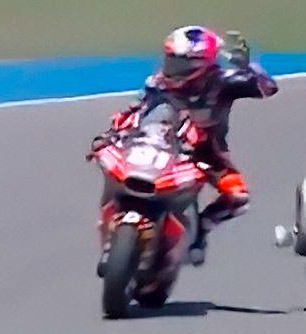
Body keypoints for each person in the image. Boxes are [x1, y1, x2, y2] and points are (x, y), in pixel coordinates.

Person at [92, 26, 278, 265]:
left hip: (206, 152)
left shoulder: (223, 82)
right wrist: (110, 134)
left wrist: (248, 67)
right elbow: (134, 111)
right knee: (110, 163)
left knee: (238, 197)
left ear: (201, 65)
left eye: (181, 63)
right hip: (152, 142)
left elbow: (268, 88)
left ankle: (201, 229)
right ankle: (110, 222)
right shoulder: (158, 82)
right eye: (171, 59)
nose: (172, 68)